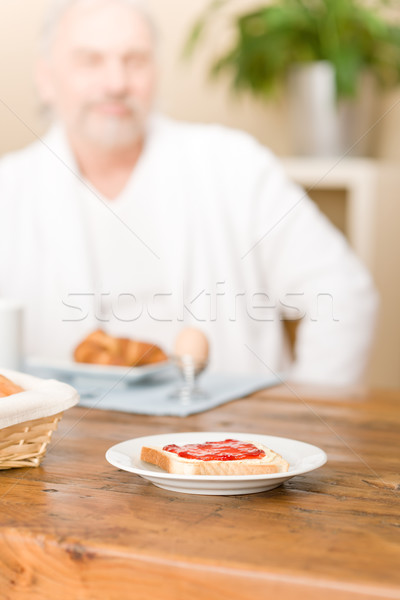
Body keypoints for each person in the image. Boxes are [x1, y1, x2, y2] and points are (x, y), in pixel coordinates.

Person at [0, 0, 378, 385]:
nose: (116, 83)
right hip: (60, 440)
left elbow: (343, 292)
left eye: (136, 60)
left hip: (230, 435)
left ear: (157, 75)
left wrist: (306, 414)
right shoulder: (8, 191)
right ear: (46, 79)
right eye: (90, 61)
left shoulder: (234, 163)